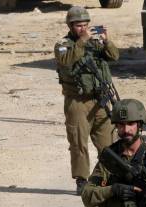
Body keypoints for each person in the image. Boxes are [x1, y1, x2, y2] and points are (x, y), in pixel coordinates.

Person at [54, 6, 119, 194]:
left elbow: (114, 56)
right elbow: (66, 60)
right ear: (70, 26)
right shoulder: (63, 44)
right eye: (78, 26)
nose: (83, 29)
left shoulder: (94, 41)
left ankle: (106, 177)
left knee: (107, 142)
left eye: (85, 25)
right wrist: (82, 41)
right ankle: (82, 180)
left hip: (100, 99)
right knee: (78, 143)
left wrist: (107, 41)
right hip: (78, 101)